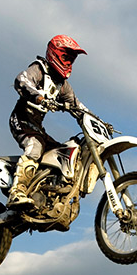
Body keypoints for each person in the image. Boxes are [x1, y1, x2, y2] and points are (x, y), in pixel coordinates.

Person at [8, 34, 87, 208]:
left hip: (37, 127)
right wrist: (38, 97)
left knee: (61, 154)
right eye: (66, 57)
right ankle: (17, 192)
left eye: (71, 60)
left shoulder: (63, 85)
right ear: (55, 53)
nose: (68, 63)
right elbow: (21, 80)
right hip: (21, 119)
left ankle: (46, 195)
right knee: (35, 146)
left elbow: (77, 106)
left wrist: (93, 120)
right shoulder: (39, 69)